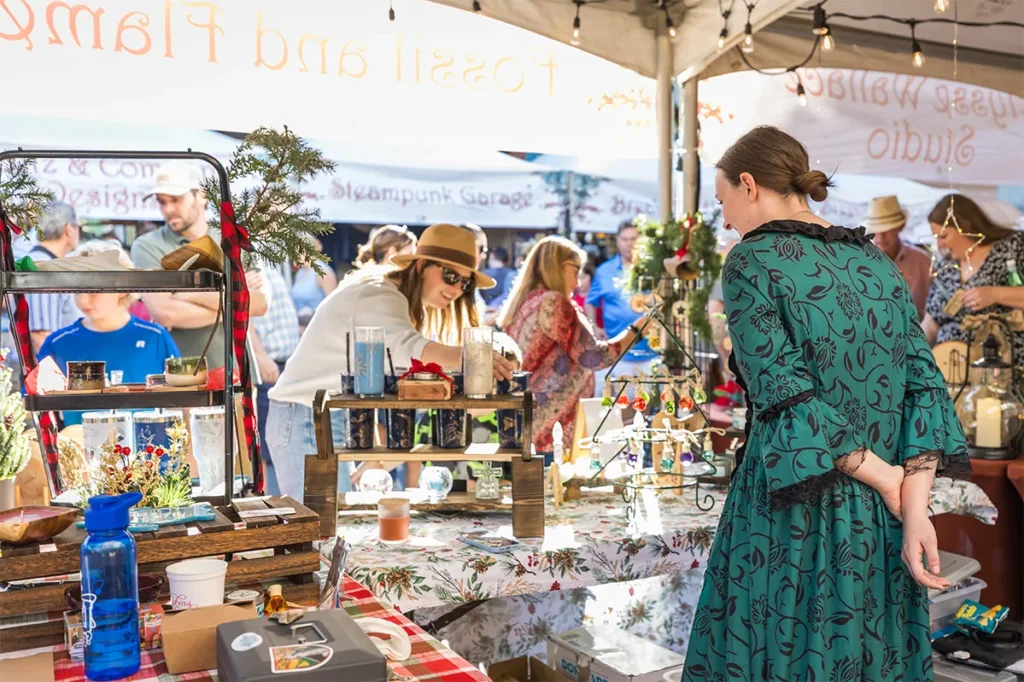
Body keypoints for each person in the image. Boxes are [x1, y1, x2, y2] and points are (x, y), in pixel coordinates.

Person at [682, 126, 970, 681]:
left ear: (749, 185)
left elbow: (787, 396)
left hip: (797, 513)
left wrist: (891, 481)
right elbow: (926, 388)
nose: (726, 221)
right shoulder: (876, 262)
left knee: (787, 653)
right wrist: (912, 505)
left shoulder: (750, 262)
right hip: (885, 517)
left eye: (722, 202)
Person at [267, 223, 514, 501]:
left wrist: (379, 456)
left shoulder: (391, 295)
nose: (457, 288)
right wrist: (475, 356)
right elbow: (411, 349)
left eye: (465, 283)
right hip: (305, 415)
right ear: (421, 266)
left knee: (336, 521)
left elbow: (381, 375)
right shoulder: (381, 293)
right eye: (450, 276)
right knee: (324, 522)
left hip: (320, 414)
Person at [499, 236, 644, 458]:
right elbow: (594, 356)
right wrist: (637, 330)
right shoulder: (552, 302)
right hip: (550, 431)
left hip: (529, 425)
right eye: (576, 271)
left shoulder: (527, 301)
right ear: (557, 266)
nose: (577, 283)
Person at [130, 161, 268, 368]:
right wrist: (233, 298)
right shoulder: (147, 245)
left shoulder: (234, 239)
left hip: (237, 373)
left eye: (176, 199)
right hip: (182, 373)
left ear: (202, 195)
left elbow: (260, 304)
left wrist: (186, 293)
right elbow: (165, 314)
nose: (168, 209)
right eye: (161, 202)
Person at [37, 241, 180, 425]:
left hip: (148, 442)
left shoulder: (155, 337)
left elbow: (183, 401)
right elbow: (37, 407)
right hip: (78, 442)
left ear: (122, 289)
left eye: (93, 290)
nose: (83, 300)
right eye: (77, 290)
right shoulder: (57, 343)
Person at [923, 194, 1024, 355]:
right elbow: (930, 324)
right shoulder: (946, 268)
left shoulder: (1012, 247)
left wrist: (995, 294)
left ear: (966, 227)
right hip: (947, 364)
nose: (939, 244)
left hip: (999, 362)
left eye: (944, 236)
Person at [585, 220, 656, 394]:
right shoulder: (604, 271)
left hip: (651, 350)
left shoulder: (652, 269)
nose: (629, 243)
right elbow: (590, 301)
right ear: (617, 241)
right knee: (621, 402)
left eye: (633, 239)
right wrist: (595, 327)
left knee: (647, 401)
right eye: (625, 239)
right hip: (617, 350)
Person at [250, 261, 301, 495]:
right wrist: (261, 356)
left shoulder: (270, 259)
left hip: (284, 362)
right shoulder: (251, 256)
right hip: (269, 362)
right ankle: (265, 500)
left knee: (284, 439)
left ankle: (283, 500)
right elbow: (244, 311)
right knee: (264, 442)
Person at [25, 202, 81, 354]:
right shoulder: (43, 267)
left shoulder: (45, 263)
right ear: (69, 229)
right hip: (52, 364)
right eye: (77, 227)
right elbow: (41, 336)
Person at [864, 195, 932, 321]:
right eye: (875, 230)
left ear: (901, 226)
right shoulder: (858, 263)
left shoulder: (922, 261)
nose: (880, 236)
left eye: (886, 229)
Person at [291, 236, 338, 329]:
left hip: (318, 327)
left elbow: (334, 304)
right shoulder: (300, 273)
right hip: (301, 328)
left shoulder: (323, 272)